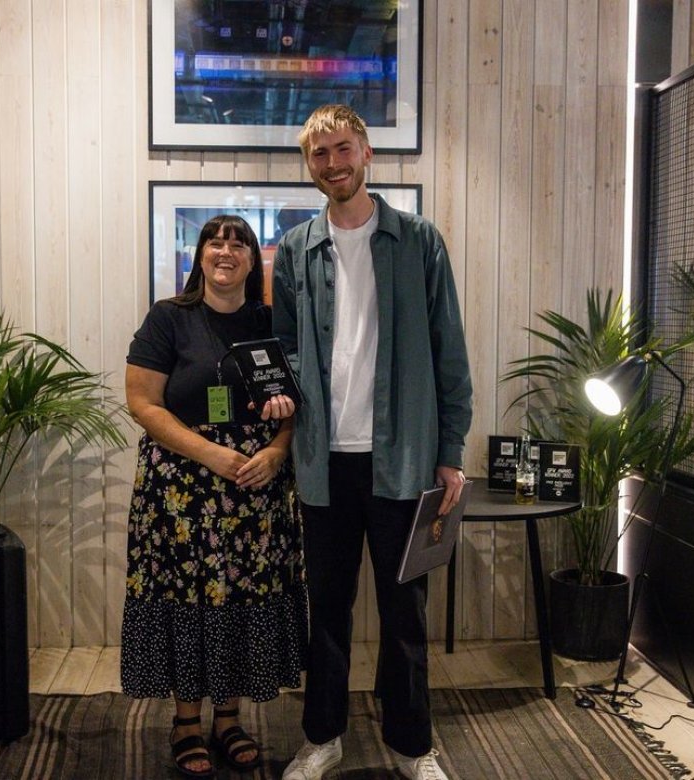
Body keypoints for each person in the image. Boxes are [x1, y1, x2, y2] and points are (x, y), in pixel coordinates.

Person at [272, 105, 473, 780]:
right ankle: (321, 737)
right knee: (326, 611)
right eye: (319, 155)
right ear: (312, 166)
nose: (333, 164)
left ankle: (413, 746)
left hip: (406, 463)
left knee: (405, 614)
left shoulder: (419, 241)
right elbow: (284, 352)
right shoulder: (297, 249)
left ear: (367, 153)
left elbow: (450, 353)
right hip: (323, 466)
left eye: (342, 149)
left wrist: (451, 454)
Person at [121, 214, 308, 778]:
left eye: (239, 243)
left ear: (255, 260)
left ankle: (228, 717)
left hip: (256, 488)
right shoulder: (168, 318)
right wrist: (211, 455)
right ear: (199, 254)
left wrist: (277, 451)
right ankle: (185, 720)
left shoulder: (273, 322)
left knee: (240, 598)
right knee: (186, 596)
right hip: (181, 489)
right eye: (215, 241)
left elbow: (298, 402)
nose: (225, 250)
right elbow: (143, 404)